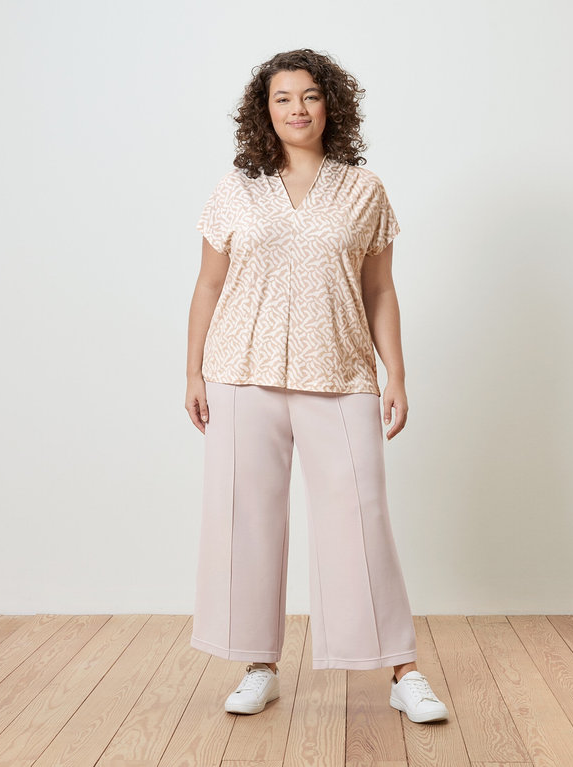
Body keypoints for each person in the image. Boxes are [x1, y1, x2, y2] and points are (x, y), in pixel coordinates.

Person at [185, 48, 448, 724]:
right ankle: (258, 663)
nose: (296, 108)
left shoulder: (365, 191)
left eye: (308, 96)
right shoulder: (234, 189)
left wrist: (397, 372)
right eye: (282, 98)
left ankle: (403, 669)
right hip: (243, 372)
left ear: (330, 104)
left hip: (340, 371)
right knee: (248, 521)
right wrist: (192, 371)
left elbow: (380, 287)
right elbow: (210, 284)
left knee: (361, 520)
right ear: (263, 111)